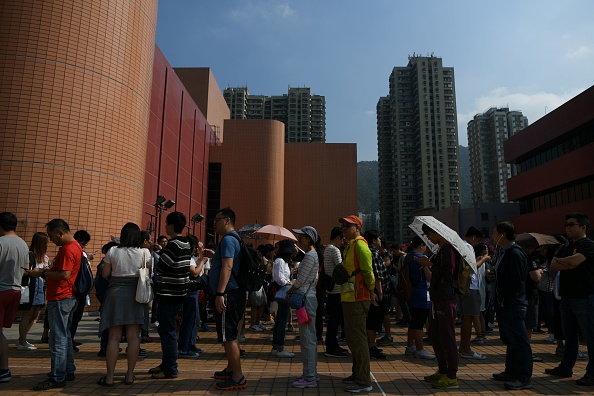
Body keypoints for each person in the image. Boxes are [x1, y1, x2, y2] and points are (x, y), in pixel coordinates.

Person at [28, 219, 82, 390]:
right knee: (64, 336)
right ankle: (67, 370)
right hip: (68, 297)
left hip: (60, 297)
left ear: (60, 232)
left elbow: (65, 275)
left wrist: (43, 272)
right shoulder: (76, 247)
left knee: (57, 338)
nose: (51, 240)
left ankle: (57, 376)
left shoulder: (67, 249)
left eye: (51, 236)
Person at [96, 222, 152, 386]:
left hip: (115, 294)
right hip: (136, 295)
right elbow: (148, 273)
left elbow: (105, 274)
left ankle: (110, 377)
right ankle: (129, 375)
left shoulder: (113, 250)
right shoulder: (145, 252)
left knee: (113, 337)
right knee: (134, 337)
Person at [546, 212, 594, 386]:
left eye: (571, 224)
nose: (567, 227)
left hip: (585, 297)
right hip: (566, 298)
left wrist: (563, 262)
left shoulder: (588, 245)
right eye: (566, 225)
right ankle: (566, 367)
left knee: (590, 335)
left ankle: (592, 373)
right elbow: (552, 264)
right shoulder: (566, 246)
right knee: (570, 335)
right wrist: (565, 261)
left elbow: (574, 262)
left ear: (583, 227)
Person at [148, 212, 192, 380]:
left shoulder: (174, 244)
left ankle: (170, 368)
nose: (165, 226)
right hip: (179, 291)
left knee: (167, 330)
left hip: (170, 292)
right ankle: (166, 363)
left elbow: (162, 265)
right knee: (167, 329)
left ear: (172, 226)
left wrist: (161, 254)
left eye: (167, 223)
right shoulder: (185, 243)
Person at [209, 207, 248, 391]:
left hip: (228, 294)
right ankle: (231, 369)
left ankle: (238, 377)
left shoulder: (228, 240)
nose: (214, 224)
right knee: (231, 333)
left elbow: (228, 267)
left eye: (216, 220)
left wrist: (219, 293)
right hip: (234, 293)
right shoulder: (235, 238)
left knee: (228, 336)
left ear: (226, 220)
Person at [491, 221, 533, 390]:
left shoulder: (515, 253)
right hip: (506, 304)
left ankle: (523, 377)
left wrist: (506, 300)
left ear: (502, 234)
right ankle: (511, 371)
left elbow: (515, 282)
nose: (493, 236)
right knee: (511, 341)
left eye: (494, 233)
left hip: (513, 304)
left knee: (520, 341)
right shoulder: (504, 252)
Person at [338, 215, 376, 393]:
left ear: (357, 227)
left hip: (358, 297)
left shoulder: (360, 245)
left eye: (348, 226)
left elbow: (368, 271)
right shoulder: (350, 245)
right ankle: (357, 374)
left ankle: (363, 380)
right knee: (353, 339)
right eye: (343, 226)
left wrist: (371, 291)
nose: (344, 228)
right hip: (349, 297)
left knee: (359, 340)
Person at [421, 223, 460, 389]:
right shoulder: (440, 250)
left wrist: (429, 265)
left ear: (436, 232)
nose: (428, 238)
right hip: (438, 298)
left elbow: (447, 274)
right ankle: (443, 370)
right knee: (434, 334)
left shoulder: (448, 249)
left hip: (445, 298)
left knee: (447, 337)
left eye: (429, 234)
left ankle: (451, 376)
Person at [288, 226, 321, 389]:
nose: (298, 239)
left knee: (307, 339)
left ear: (309, 239)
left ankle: (309, 377)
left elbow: (301, 281)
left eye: (301, 236)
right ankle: (311, 372)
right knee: (310, 338)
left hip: (306, 300)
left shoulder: (309, 256)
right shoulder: (313, 255)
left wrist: (291, 290)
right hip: (309, 298)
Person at [0, 212, 29, 383]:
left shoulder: (1, 243)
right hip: (16, 291)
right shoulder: (23, 244)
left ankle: (4, 369)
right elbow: (25, 269)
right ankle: (3, 369)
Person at [458, 226, 490, 360]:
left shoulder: (461, 245)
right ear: (473, 237)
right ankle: (465, 349)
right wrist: (483, 260)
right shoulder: (468, 247)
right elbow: (471, 267)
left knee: (467, 317)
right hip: (470, 287)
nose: (476, 244)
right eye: (477, 241)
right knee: (469, 318)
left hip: (465, 287)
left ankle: (464, 348)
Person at [17, 232, 50, 351]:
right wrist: (38, 271)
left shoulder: (45, 256)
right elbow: (24, 271)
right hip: (32, 285)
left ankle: (22, 337)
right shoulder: (30, 255)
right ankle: (22, 341)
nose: (47, 244)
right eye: (46, 242)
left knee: (36, 314)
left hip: (40, 285)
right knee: (28, 312)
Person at [403, 236, 435, 359]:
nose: (426, 248)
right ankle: (420, 349)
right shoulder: (422, 258)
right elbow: (429, 277)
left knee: (414, 321)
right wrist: (427, 266)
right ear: (421, 245)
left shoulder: (408, 256)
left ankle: (410, 347)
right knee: (419, 322)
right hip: (421, 293)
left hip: (411, 292)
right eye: (425, 245)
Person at [178, 235, 207, 358]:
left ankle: (190, 343)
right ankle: (184, 348)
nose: (196, 250)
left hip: (192, 292)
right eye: (195, 247)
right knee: (189, 320)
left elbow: (198, 263)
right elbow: (195, 273)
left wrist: (201, 255)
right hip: (190, 293)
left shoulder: (190, 258)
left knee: (194, 320)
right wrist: (203, 262)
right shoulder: (187, 258)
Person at [363, 229, 390, 360]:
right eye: (379, 239)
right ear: (374, 240)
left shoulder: (370, 252)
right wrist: (379, 294)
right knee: (373, 322)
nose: (380, 241)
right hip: (377, 293)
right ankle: (371, 347)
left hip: (372, 292)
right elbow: (377, 277)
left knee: (372, 321)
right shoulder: (374, 254)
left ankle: (371, 345)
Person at [323, 227, 348, 358]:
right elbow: (340, 268)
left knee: (333, 319)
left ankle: (332, 343)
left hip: (330, 288)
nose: (343, 242)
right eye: (342, 239)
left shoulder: (327, 249)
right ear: (338, 237)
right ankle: (331, 347)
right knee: (335, 320)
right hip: (337, 288)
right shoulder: (335, 250)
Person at [270, 240, 297, 358]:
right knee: (282, 320)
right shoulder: (280, 261)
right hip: (284, 291)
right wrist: (289, 282)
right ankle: (280, 347)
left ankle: (276, 346)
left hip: (284, 290)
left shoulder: (283, 262)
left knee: (280, 319)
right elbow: (278, 277)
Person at [70, 230, 93, 351]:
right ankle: (68, 341)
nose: (84, 246)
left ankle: (71, 338)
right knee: (72, 317)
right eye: (84, 243)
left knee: (76, 317)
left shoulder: (82, 253)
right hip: (75, 290)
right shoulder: (75, 252)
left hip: (80, 291)